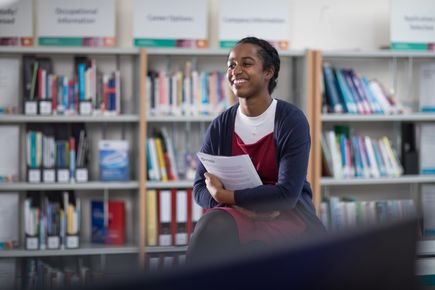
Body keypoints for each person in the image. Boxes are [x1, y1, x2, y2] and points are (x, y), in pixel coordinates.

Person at [186, 36, 324, 264]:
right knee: (210, 226)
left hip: (285, 216)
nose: (236, 70)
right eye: (231, 65)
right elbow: (200, 189)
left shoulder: (291, 120)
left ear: (268, 72)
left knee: (254, 253)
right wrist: (240, 206)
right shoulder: (221, 125)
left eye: (246, 63)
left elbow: (287, 195)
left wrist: (224, 196)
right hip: (238, 214)